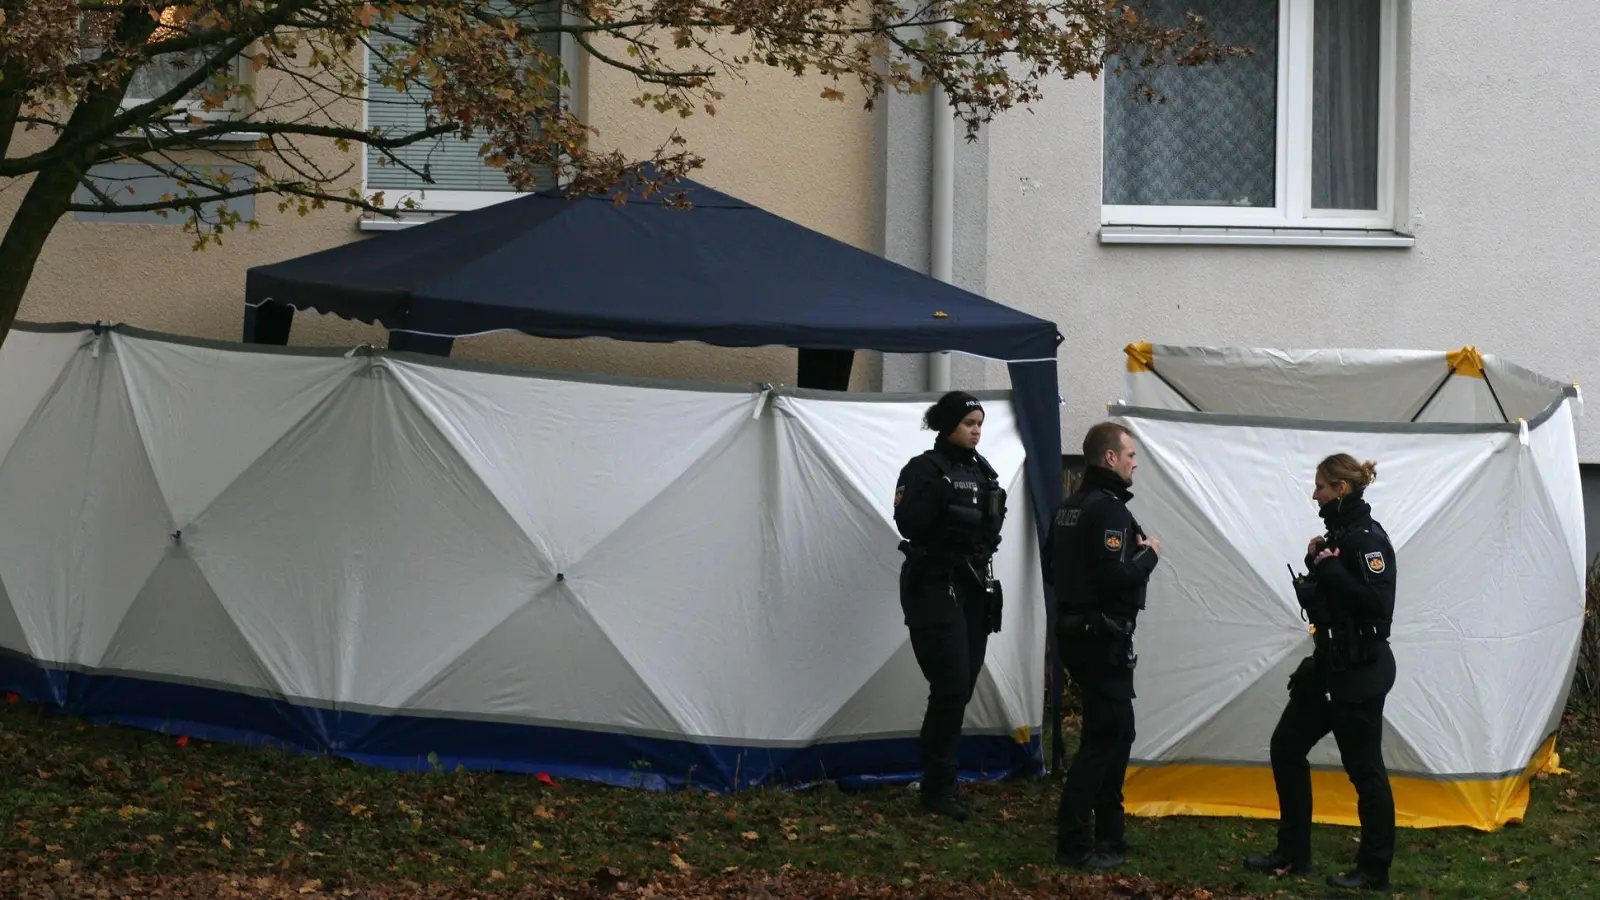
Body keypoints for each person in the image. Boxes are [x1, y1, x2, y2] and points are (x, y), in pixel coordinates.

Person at [1245, 454, 1397, 891]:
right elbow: (1330, 605)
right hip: (1328, 668)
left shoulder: (1367, 540)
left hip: (1360, 672)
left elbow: (1378, 608)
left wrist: (1330, 570)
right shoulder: (1340, 536)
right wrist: (1316, 569)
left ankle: (1374, 871)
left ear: (1341, 489)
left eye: (1321, 487)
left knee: (1365, 771)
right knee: (1286, 747)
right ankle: (1293, 852)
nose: (1315, 495)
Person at [1047, 421, 1159, 870]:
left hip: (1078, 631)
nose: (1135, 462)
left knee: (1120, 730)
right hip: (1100, 636)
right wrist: (1150, 552)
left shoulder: (1068, 507)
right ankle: (1075, 842)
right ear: (1110, 458)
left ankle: (1111, 833)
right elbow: (1118, 575)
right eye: (1130, 454)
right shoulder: (1109, 510)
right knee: (1103, 737)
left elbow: (1053, 569)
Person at [892, 390, 1008, 821]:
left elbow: (990, 524)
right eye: (968, 423)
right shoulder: (923, 469)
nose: (976, 431)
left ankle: (942, 782)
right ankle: (939, 786)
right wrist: (940, 494)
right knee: (951, 684)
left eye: (980, 424)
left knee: (962, 686)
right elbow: (907, 520)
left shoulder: (984, 472)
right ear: (948, 425)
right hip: (933, 584)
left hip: (973, 584)